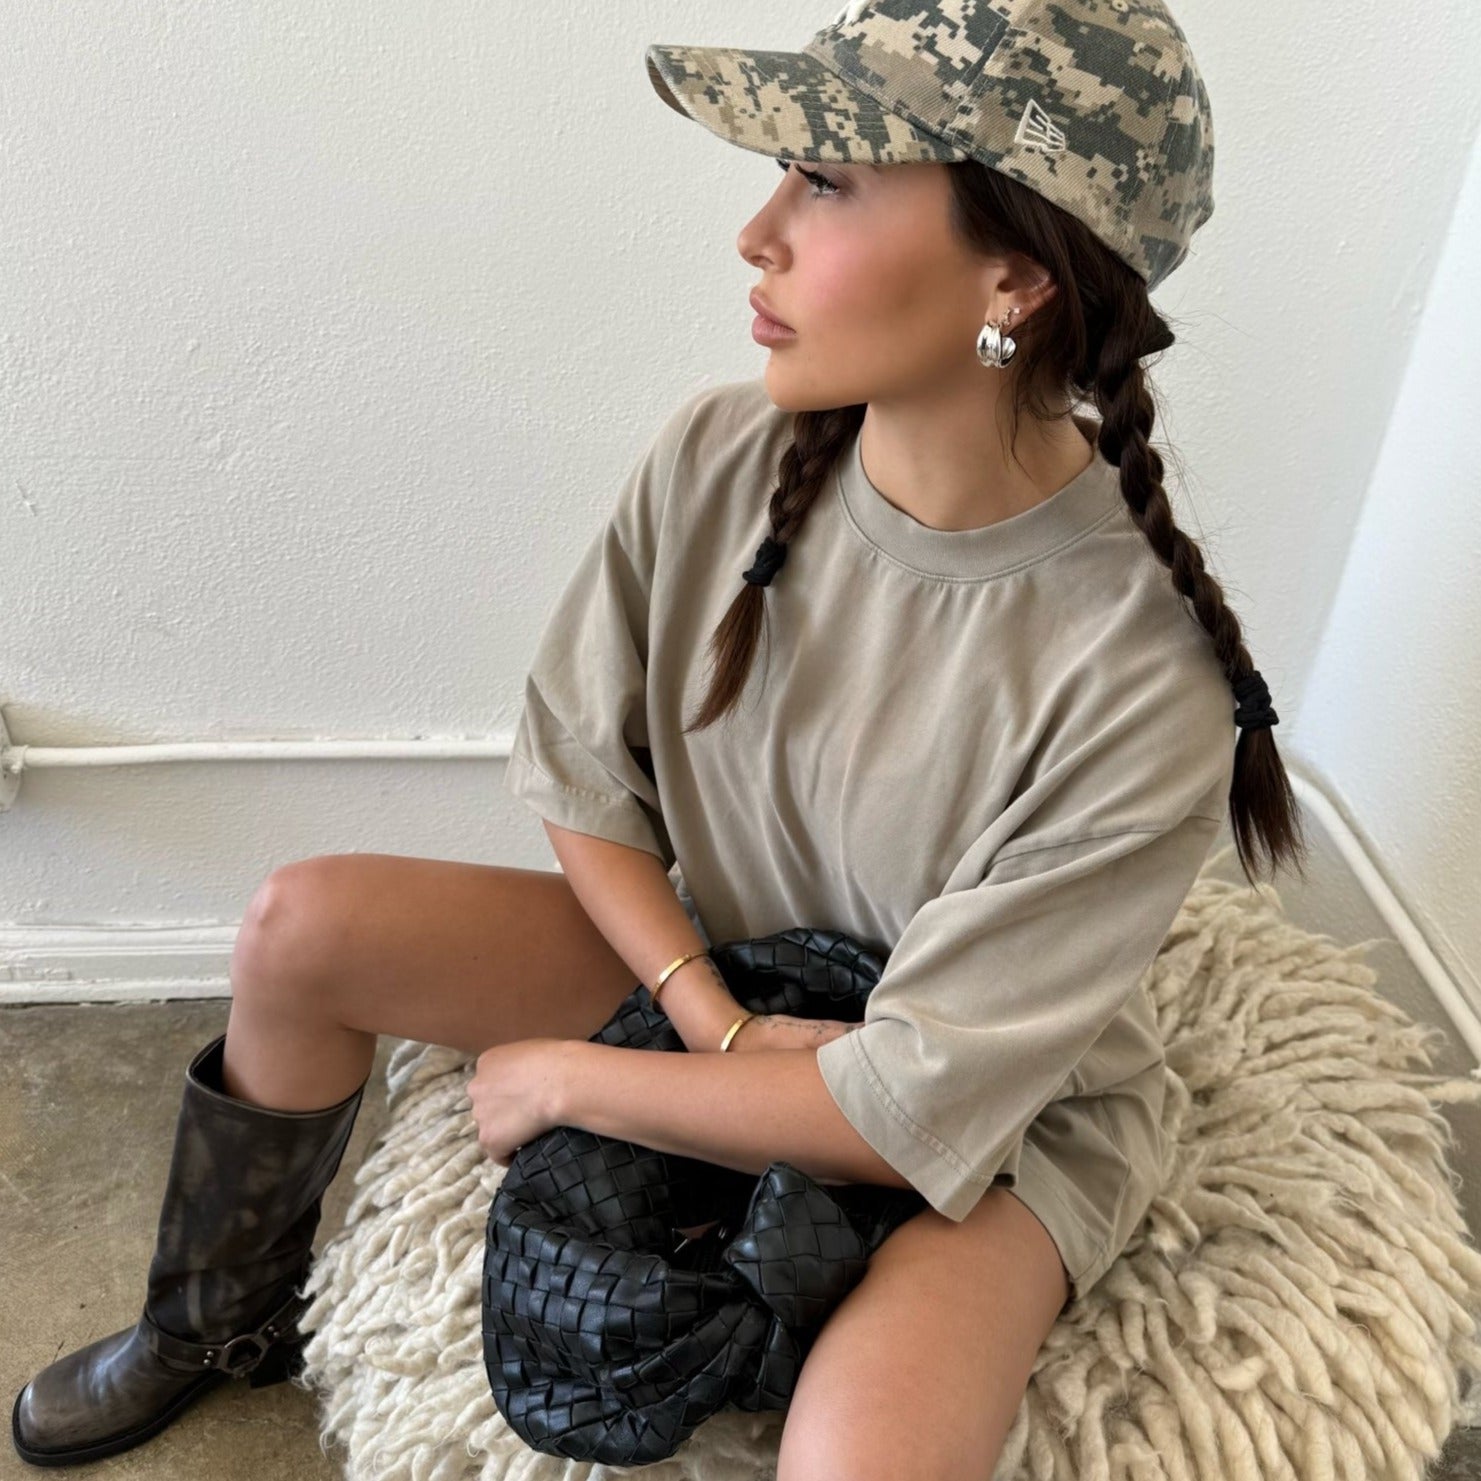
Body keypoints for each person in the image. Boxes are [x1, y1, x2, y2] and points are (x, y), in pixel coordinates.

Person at [13, 0, 1310, 1474]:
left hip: (990, 1119)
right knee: (304, 926)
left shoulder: (1144, 674)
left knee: (859, 1459)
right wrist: (710, 1019)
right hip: (741, 966)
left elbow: (904, 1107)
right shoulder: (720, 454)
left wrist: (571, 1080)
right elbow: (585, 776)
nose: (757, 234)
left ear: (1013, 274)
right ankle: (217, 1322)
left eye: (826, 182)